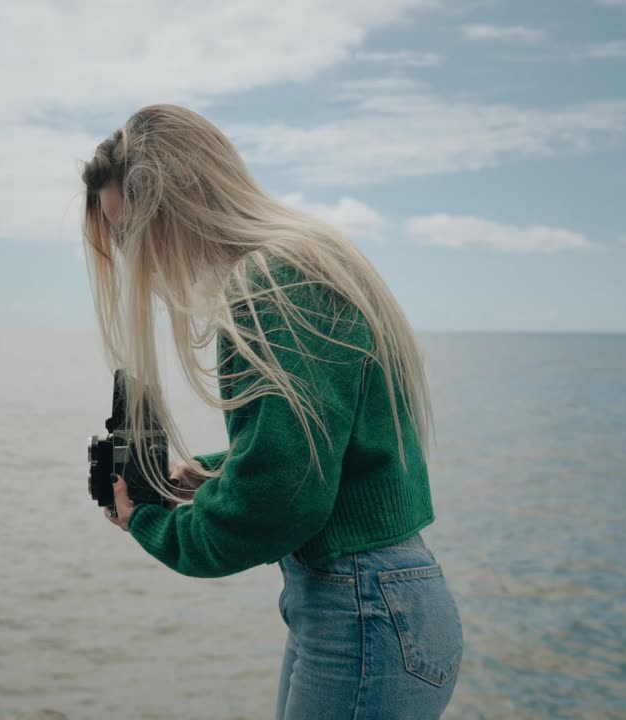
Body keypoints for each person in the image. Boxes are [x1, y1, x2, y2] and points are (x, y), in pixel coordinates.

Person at [81, 104, 463, 719]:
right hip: (374, 601)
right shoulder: (302, 260)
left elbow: (280, 499)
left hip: (359, 608)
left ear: (186, 193)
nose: (131, 254)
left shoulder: (268, 285)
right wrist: (208, 474)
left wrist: (150, 524)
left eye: (134, 228)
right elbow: (316, 449)